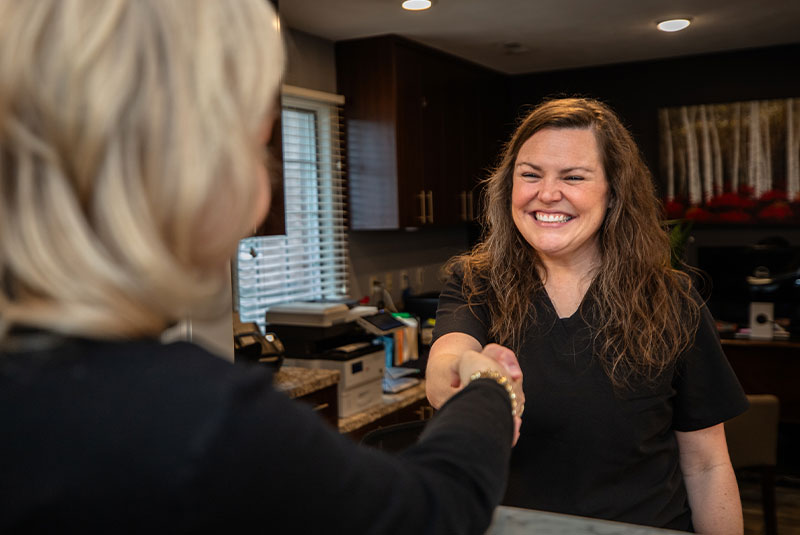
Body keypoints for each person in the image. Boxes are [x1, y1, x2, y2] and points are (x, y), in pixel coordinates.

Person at [0, 1, 524, 533]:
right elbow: (435, 513)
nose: (262, 193)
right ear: (185, 172)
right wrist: (490, 391)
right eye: (256, 145)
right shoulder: (195, 420)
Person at [426, 97, 749, 533]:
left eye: (573, 177)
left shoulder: (672, 298)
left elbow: (707, 465)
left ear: (613, 191)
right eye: (530, 175)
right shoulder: (475, 282)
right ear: (508, 186)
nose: (547, 194)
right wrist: (471, 371)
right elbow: (444, 368)